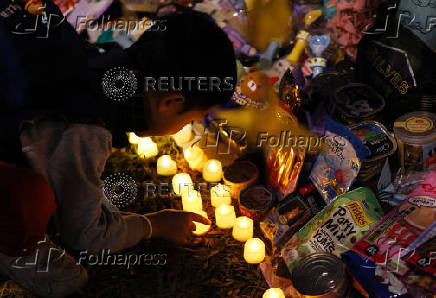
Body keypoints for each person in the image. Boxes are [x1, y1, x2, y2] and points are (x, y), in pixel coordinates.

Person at [0, 0, 237, 296]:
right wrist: (157, 224)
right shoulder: (85, 129)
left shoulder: (90, 60)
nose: (186, 127)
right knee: (30, 199)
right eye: (193, 119)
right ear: (171, 102)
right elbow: (84, 235)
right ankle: (16, 250)